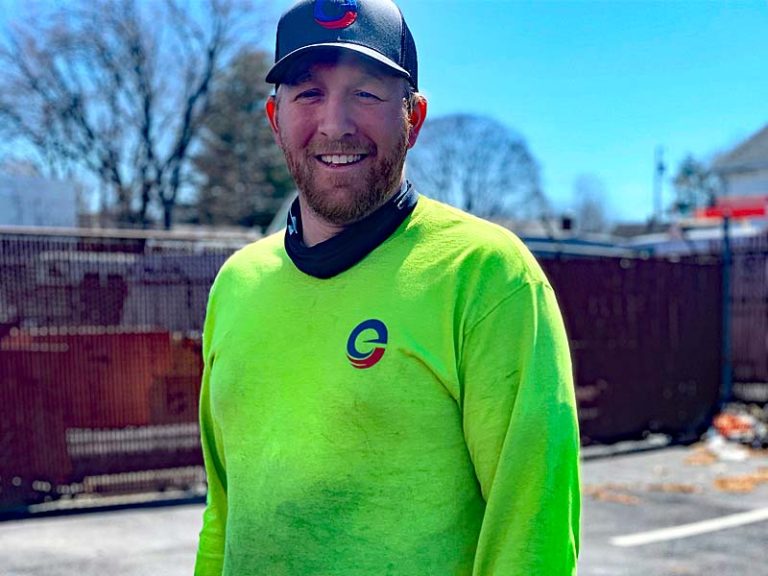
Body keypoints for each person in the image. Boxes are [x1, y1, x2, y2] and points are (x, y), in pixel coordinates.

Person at [195, 0, 580, 574]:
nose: (335, 124)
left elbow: (532, 524)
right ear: (275, 119)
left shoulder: (485, 273)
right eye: (308, 93)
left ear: (413, 118)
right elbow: (224, 508)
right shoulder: (237, 283)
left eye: (367, 93)